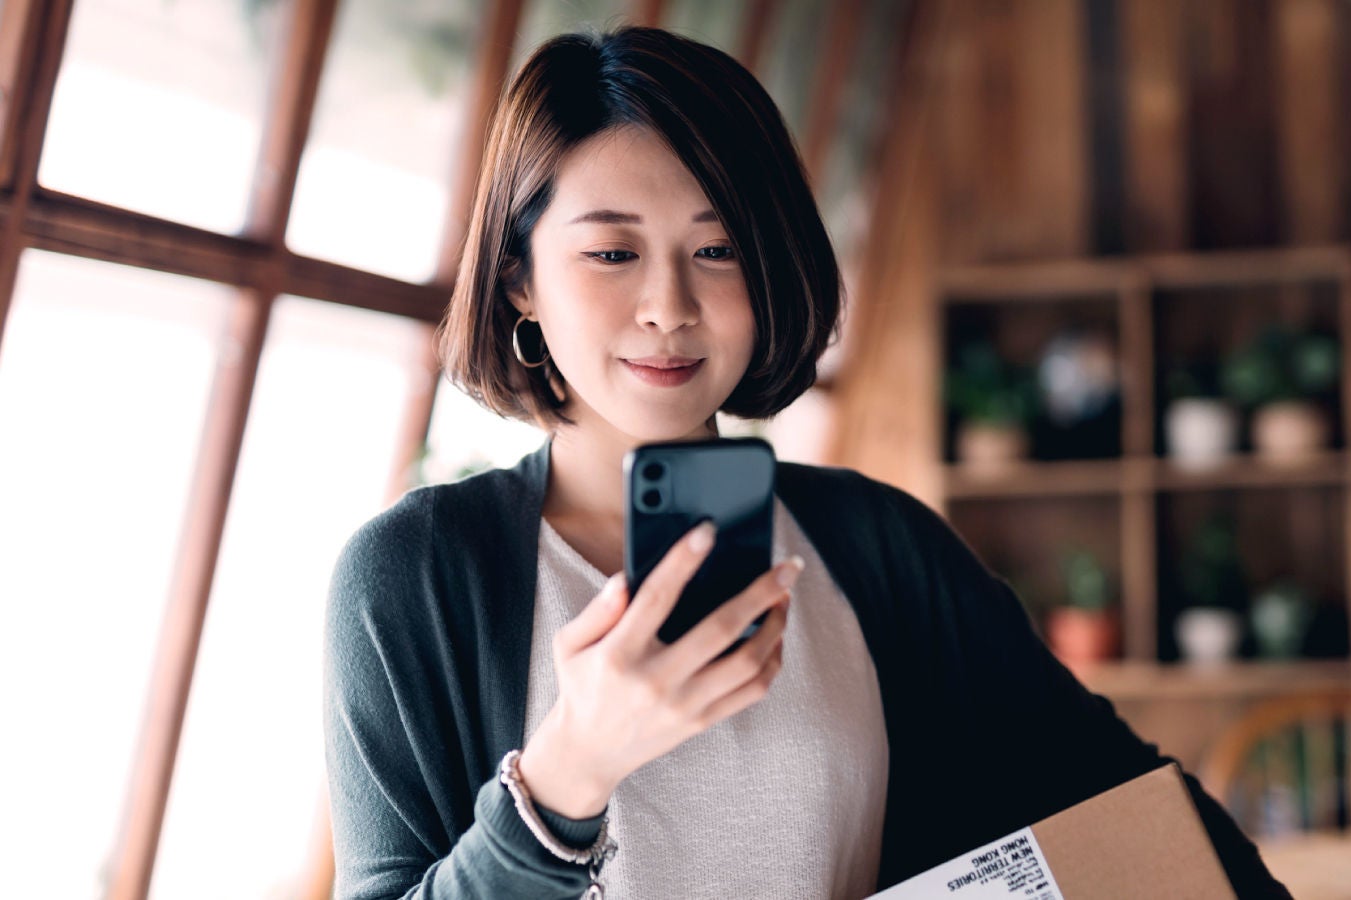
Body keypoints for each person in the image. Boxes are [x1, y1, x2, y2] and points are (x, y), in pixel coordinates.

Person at [323, 25, 1289, 900]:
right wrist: (568, 774)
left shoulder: (876, 545)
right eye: (612, 255)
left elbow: (1138, 809)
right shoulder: (415, 578)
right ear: (521, 282)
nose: (669, 305)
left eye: (717, 249)